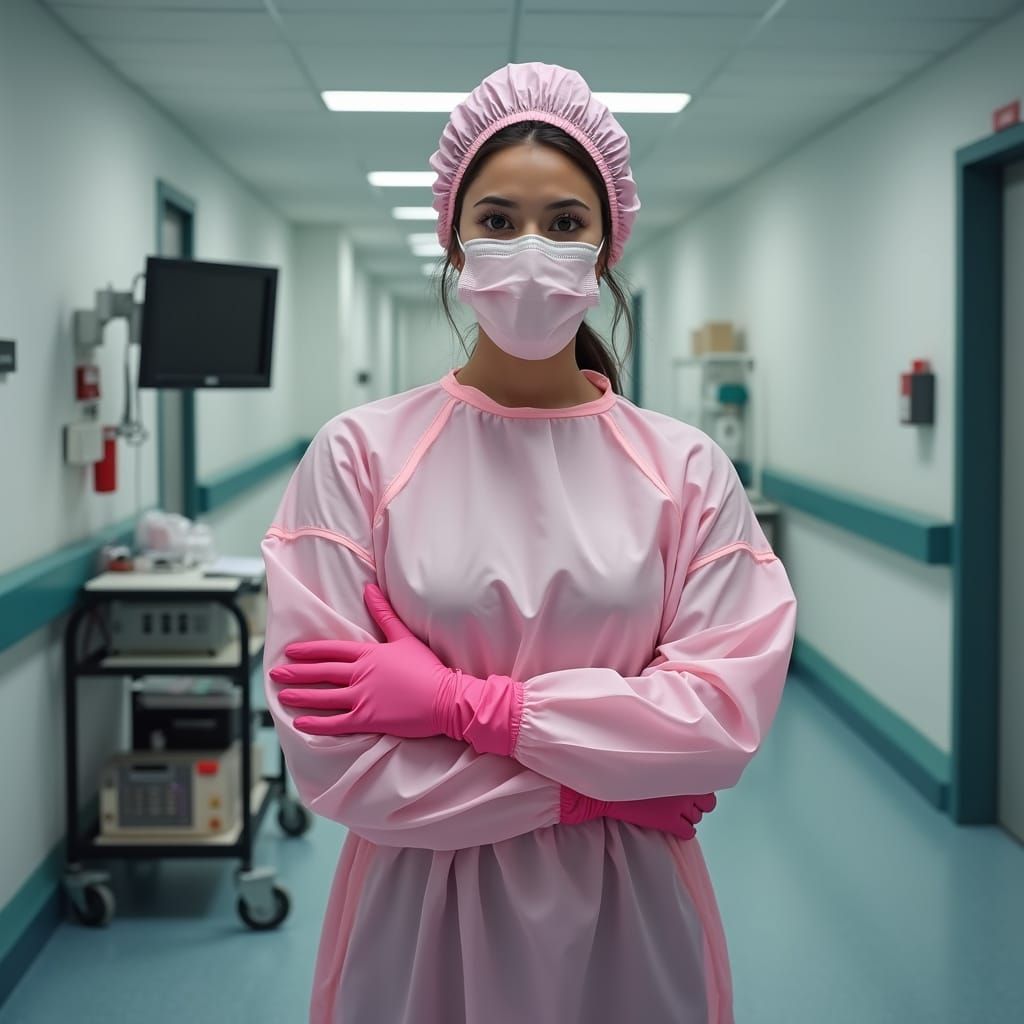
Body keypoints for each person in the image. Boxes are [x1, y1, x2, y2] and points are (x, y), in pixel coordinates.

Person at [260, 61, 798, 1024]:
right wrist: (603, 791)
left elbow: (716, 723)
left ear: (606, 247)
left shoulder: (683, 470)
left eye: (565, 222)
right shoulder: (360, 458)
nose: (531, 251)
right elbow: (338, 763)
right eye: (499, 220)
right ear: (454, 241)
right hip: (418, 913)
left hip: (629, 915)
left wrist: (468, 708)